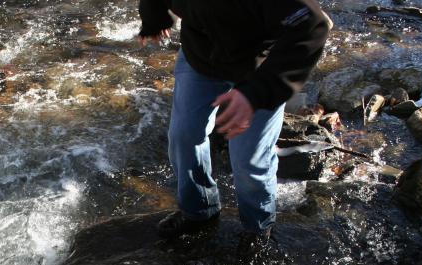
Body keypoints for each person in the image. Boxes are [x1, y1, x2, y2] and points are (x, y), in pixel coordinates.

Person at [138, 0, 331, 251]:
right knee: (183, 137)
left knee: (249, 159)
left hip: (259, 69)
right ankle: (199, 210)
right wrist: (154, 17)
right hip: (201, 57)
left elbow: (314, 24)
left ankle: (258, 226)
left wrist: (256, 93)